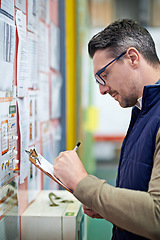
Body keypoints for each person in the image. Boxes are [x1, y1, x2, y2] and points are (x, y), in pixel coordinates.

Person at [53, 19, 160, 240]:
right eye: (97, 80)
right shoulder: (144, 109)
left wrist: (84, 183)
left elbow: (156, 217)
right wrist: (107, 207)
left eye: (104, 75)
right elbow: (141, 191)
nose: (102, 89)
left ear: (132, 58)